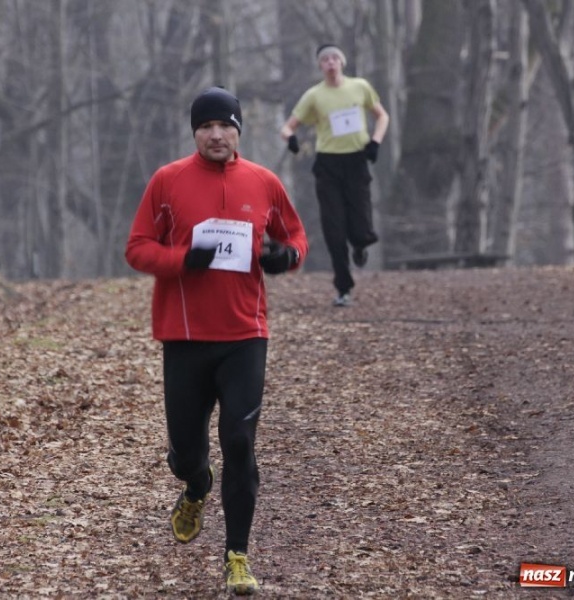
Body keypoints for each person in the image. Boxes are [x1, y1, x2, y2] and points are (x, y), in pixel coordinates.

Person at [126, 86, 308, 595]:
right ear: (195, 133)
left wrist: (285, 258)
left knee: (240, 442)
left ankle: (238, 557)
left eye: (226, 126)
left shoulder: (263, 182)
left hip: (245, 336)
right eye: (206, 126)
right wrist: (183, 259)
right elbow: (137, 249)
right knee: (187, 452)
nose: (216, 134)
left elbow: (295, 238)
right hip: (184, 338)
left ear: (238, 131)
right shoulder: (168, 181)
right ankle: (195, 485)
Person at [281, 43, 390, 307]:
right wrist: (292, 140)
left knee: (360, 221)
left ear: (342, 63)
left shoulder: (360, 87)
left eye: (334, 58)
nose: (330, 63)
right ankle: (343, 287)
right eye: (325, 60)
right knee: (334, 227)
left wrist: (375, 141)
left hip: (357, 160)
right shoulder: (314, 96)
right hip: (328, 165)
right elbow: (287, 127)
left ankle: (361, 244)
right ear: (320, 66)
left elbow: (382, 116)